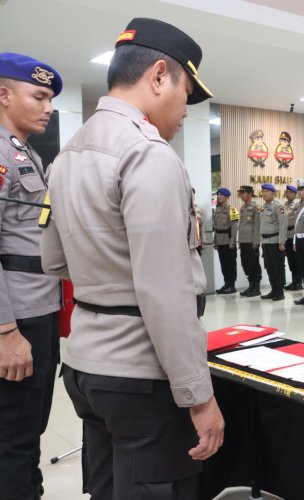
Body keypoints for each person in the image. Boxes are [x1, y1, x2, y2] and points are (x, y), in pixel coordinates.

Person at [40, 18, 224, 499]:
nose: (185, 109)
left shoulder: (67, 153)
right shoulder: (149, 154)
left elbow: (54, 261)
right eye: (187, 92)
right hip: (141, 374)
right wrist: (199, 397)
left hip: (85, 366)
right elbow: (164, 292)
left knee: (107, 488)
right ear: (159, 75)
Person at [0, 52, 62, 500]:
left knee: (28, 429)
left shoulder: (25, 151)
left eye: (51, 99)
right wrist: (6, 331)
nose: (48, 107)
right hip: (17, 316)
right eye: (38, 95)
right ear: (3, 95)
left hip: (38, 308)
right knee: (16, 438)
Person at [259, 183, 287, 300]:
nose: (264, 194)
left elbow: (283, 224)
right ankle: (273, 289)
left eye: (266, 191)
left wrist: (281, 242)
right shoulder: (264, 206)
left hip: (275, 241)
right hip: (266, 242)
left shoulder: (278, 206)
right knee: (269, 267)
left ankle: (280, 292)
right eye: (263, 191)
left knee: (278, 267)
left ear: (273, 193)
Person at [213, 186, 238, 294]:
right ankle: (226, 284)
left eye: (221, 194)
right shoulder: (217, 210)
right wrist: (215, 242)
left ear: (227, 197)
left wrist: (233, 242)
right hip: (220, 241)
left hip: (228, 241)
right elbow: (216, 228)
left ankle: (231, 286)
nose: (219, 196)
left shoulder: (232, 209)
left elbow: (235, 226)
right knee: (223, 264)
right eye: (218, 194)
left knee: (230, 264)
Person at [237, 185, 261, 297]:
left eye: (243, 193)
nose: (241, 195)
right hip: (244, 241)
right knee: (245, 264)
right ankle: (251, 286)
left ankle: (256, 288)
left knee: (253, 265)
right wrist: (239, 241)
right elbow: (241, 225)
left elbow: (257, 226)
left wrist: (256, 242)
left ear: (250, 194)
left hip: (251, 241)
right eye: (240, 193)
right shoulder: (243, 208)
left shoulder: (256, 207)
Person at [282, 184, 302, 290]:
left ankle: (298, 282)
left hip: (294, 234)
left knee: (296, 259)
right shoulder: (284, 205)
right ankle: (294, 281)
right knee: (290, 260)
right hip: (287, 235)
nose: (287, 193)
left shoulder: (297, 204)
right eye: (287, 192)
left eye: (290, 192)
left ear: (295, 194)